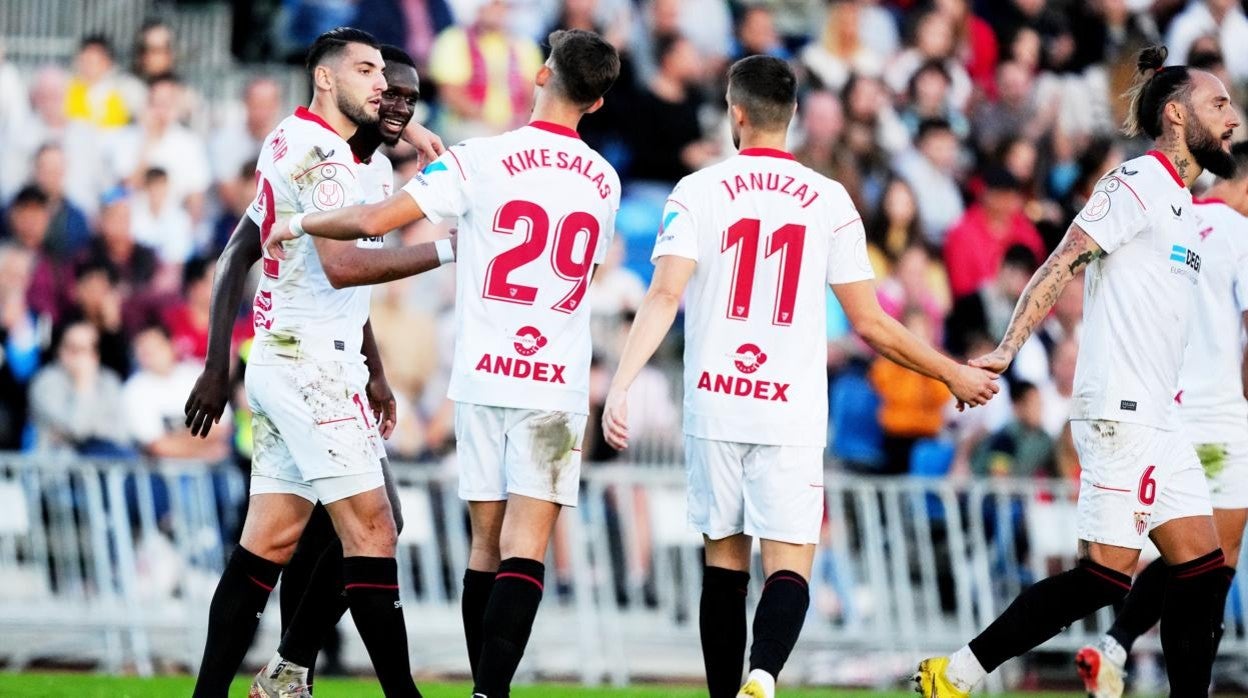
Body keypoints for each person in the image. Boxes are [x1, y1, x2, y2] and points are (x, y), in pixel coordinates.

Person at [598, 55, 998, 698]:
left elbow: (664, 295)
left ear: (736, 114)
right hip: (789, 409)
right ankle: (764, 673)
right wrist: (950, 371)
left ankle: (727, 692)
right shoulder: (830, 198)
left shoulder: (696, 190)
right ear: (790, 117)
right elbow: (870, 322)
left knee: (723, 564)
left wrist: (621, 383)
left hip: (716, 405)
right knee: (790, 563)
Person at [262, 29, 622, 698]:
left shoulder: (480, 157)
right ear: (597, 106)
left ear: (541, 76)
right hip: (556, 378)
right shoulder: (605, 179)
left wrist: (302, 223)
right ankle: (490, 694)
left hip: (485, 370)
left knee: (485, 547)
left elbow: (379, 216)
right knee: (527, 547)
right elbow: (589, 272)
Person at [915, 46, 1242, 697]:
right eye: (1219, 104)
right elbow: (1063, 259)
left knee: (1204, 572)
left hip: (1163, 417)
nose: (1232, 118)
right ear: (1176, 115)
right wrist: (1007, 350)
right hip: (1119, 410)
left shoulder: (1185, 203)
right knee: (1106, 577)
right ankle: (955, 674)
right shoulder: (1135, 184)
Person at [184, 28, 431, 698]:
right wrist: (449, 250)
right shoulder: (318, 151)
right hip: (308, 366)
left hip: (310, 357)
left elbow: (341, 285)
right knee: (377, 528)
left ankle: (267, 679)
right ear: (326, 79)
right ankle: (345, 681)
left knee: (272, 540)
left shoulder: (340, 158)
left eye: (393, 80)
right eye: (369, 72)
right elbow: (341, 265)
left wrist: (374, 370)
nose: (384, 89)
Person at [1075, 142, 1248, 697]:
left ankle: (1118, 645)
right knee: (1213, 565)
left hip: (1166, 408)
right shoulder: (1240, 236)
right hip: (1221, 414)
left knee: (1187, 556)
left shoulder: (1175, 216)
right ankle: (1127, 650)